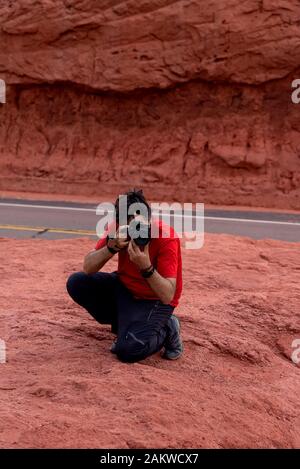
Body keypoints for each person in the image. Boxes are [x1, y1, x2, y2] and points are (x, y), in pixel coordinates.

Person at [66, 189, 183, 363]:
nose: (136, 232)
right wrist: (110, 248)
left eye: (141, 225)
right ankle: (124, 326)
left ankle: (167, 328)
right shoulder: (116, 230)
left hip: (155, 299)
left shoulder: (166, 237)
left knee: (128, 351)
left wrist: (146, 267)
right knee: (77, 282)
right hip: (126, 288)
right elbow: (88, 267)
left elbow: (167, 295)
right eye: (130, 226)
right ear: (119, 222)